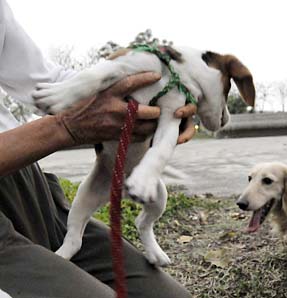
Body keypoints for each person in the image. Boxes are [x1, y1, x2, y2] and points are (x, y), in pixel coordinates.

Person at [0, 0, 195, 297]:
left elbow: (44, 82)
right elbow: (64, 120)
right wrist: (64, 127)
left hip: (27, 182)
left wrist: (144, 96)